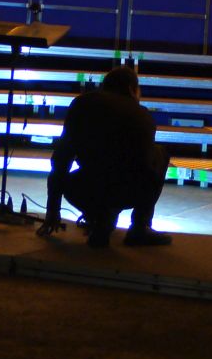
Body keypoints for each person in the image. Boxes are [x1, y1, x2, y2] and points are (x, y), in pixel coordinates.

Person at [37, 65, 171, 247]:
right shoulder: (143, 114)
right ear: (132, 88)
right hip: (129, 192)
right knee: (160, 154)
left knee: (98, 173)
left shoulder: (82, 104)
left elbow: (61, 159)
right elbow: (143, 165)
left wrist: (53, 209)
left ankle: (101, 219)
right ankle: (139, 227)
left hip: (85, 190)